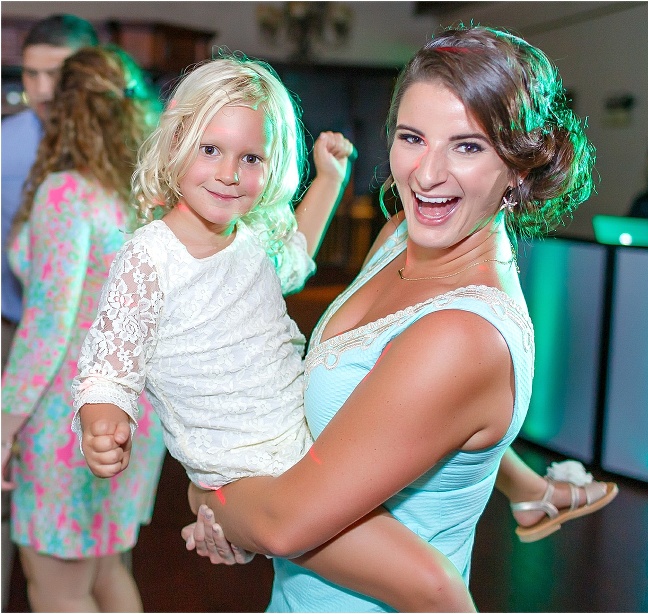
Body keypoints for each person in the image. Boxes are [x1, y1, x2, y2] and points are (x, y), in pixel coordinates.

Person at [182, 25, 613, 612]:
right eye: (413, 138)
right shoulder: (397, 237)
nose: (427, 174)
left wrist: (207, 492)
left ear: (518, 167)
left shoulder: (462, 334)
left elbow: (284, 524)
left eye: (467, 146)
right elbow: (396, 422)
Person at [70, 56, 477, 612]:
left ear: (272, 165)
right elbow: (108, 365)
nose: (229, 173)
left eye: (251, 158)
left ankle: (529, 490)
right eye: (210, 149)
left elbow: (297, 256)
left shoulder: (249, 240)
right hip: (249, 472)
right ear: (175, 144)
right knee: (436, 589)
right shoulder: (150, 256)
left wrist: (329, 179)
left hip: (307, 448)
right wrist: (102, 420)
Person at [0, 46, 168, 612]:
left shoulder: (68, 193)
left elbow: (48, 326)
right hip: (131, 413)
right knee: (105, 575)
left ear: (67, 112)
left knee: (57, 592)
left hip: (66, 420)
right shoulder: (146, 198)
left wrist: (3, 427)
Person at [1, 19, 96, 606]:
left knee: (85, 552)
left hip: (81, 361)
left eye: (54, 75)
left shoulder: (111, 155)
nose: (40, 89)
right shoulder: (7, 143)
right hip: (12, 332)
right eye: (29, 74)